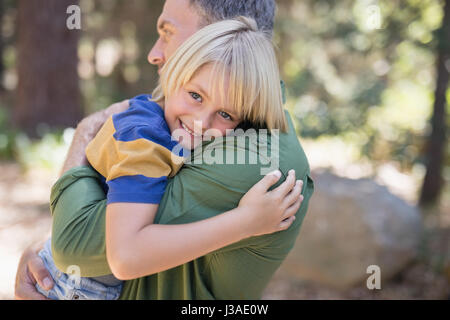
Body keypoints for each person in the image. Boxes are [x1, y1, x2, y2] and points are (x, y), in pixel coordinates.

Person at [15, 0, 314, 300]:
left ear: (217, 36)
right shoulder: (149, 135)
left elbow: (79, 242)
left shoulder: (259, 157)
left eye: (169, 32)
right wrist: (245, 222)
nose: (154, 54)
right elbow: (92, 248)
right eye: (196, 95)